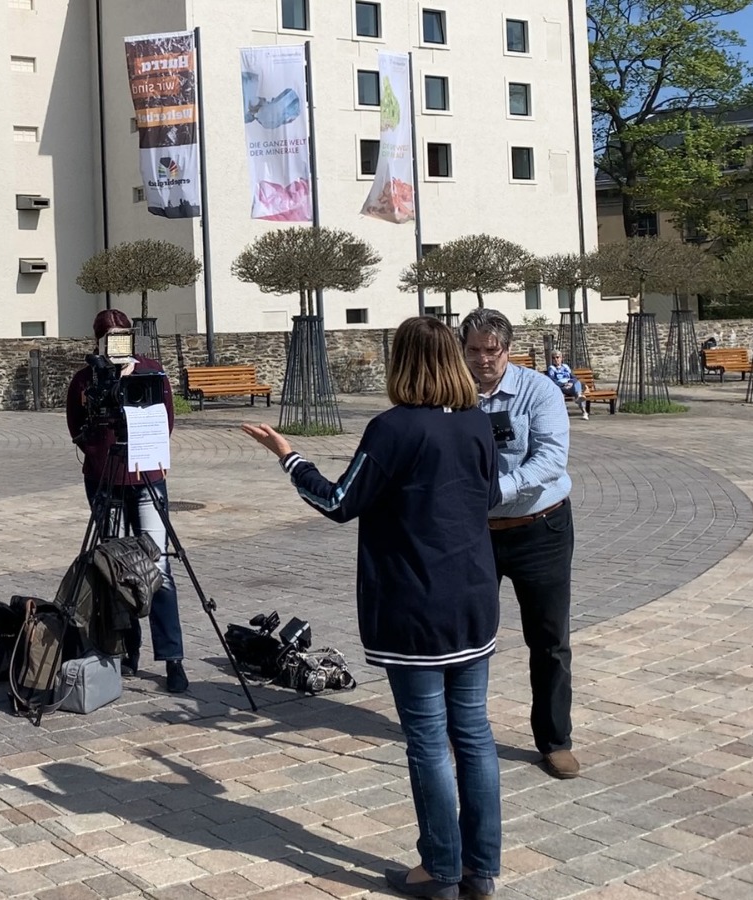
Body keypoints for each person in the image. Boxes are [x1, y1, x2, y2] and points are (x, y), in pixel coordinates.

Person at [244, 316, 501, 900]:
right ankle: (480, 869)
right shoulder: (476, 422)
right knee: (474, 735)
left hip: (415, 606)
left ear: (401, 362)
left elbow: (339, 501)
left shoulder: (394, 428)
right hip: (473, 599)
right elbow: (485, 496)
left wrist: (288, 455)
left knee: (429, 740)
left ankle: (440, 869)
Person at [460, 308, 580, 780]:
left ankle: (555, 740)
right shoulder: (451, 394)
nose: (483, 360)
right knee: (467, 637)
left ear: (508, 349)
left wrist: (497, 491)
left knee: (549, 640)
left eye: (492, 350)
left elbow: (550, 457)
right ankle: (464, 732)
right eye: (474, 350)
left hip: (540, 528)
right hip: (475, 534)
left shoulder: (539, 390)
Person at [65, 308, 188, 693]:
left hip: (147, 476)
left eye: (123, 336)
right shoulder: (85, 379)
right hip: (105, 478)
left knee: (158, 566)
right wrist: (99, 448)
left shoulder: (151, 371)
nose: (117, 344)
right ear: (98, 341)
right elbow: (76, 425)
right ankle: (126, 649)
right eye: (110, 337)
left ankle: (172, 658)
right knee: (116, 570)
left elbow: (166, 419)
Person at [545, 351, 588, 420]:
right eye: (553, 358)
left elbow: (574, 377)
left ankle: (584, 411)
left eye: (557, 357)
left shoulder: (565, 367)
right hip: (561, 388)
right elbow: (552, 380)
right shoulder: (551, 368)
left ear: (561, 358)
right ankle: (579, 399)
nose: (556, 359)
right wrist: (563, 384)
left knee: (577, 384)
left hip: (570, 386)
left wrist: (570, 382)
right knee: (576, 390)